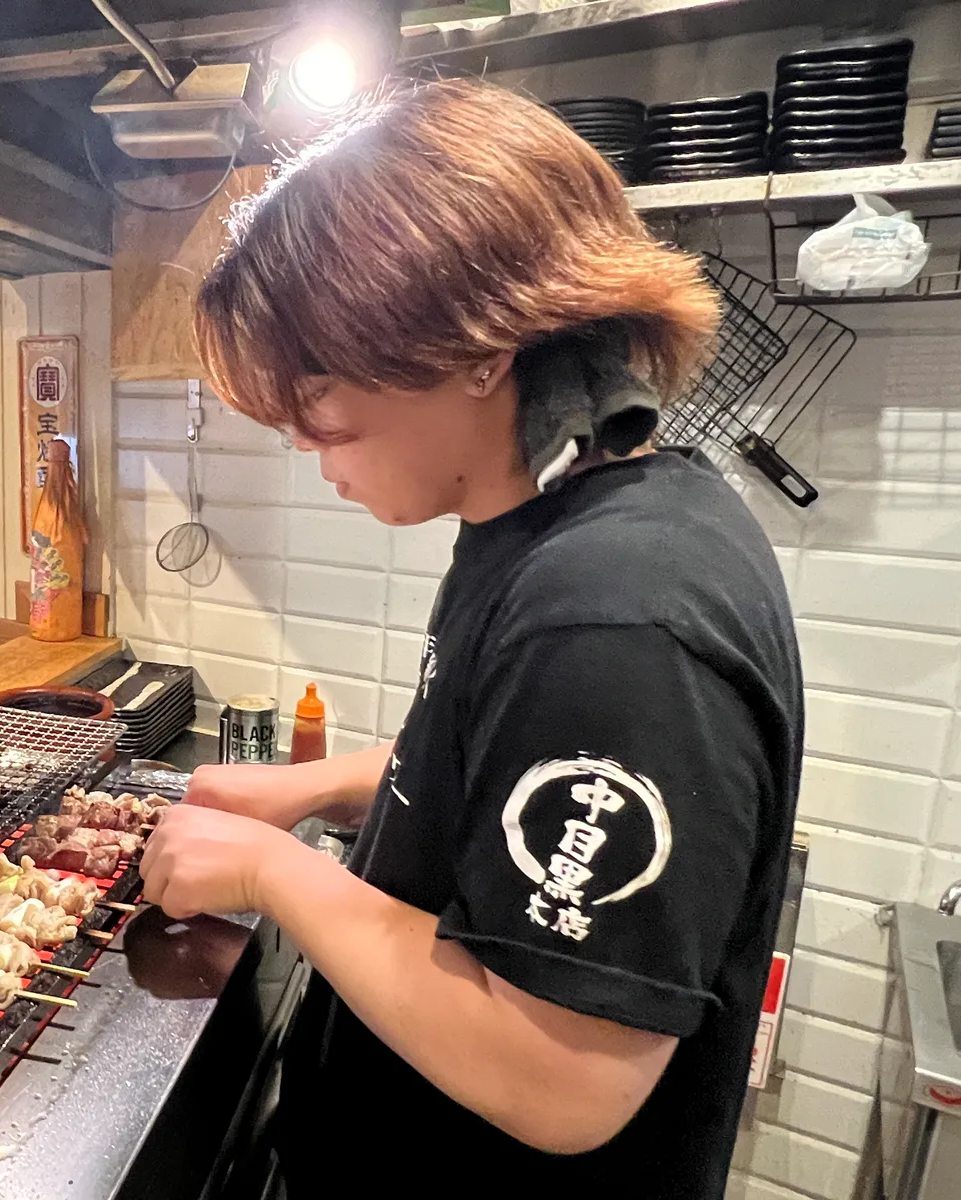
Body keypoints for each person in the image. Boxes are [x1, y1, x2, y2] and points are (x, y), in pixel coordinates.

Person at [139, 79, 802, 1199]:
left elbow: (562, 1076)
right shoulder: (549, 521)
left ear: (477, 348)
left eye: (322, 403)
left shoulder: (616, 610)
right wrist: (317, 792)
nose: (307, 443)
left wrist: (271, 871)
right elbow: (495, 766)